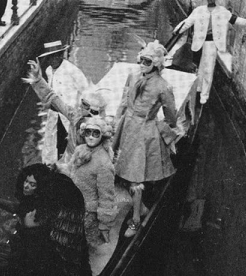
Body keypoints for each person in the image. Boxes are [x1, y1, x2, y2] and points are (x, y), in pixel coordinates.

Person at [0, 163, 91, 276]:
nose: (26, 186)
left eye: (32, 184)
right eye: (26, 181)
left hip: (37, 262)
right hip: (27, 255)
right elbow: (17, 208)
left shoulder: (45, 214)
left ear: (39, 188)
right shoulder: (33, 203)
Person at [112, 40, 178, 237]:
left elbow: (171, 116)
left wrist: (159, 124)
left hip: (143, 130)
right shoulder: (133, 76)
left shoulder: (163, 87)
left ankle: (136, 220)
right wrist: (116, 122)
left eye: (147, 61)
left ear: (157, 64)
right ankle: (134, 208)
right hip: (127, 125)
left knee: (136, 176)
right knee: (119, 166)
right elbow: (124, 101)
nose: (142, 64)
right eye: (141, 60)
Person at [22, 60, 108, 167]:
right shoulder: (74, 116)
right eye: (84, 105)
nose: (87, 111)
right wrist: (37, 79)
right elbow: (52, 97)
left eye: (93, 112)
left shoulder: (104, 134)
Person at [173, 0, 246, 104]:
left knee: (208, 69)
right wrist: (177, 30)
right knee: (200, 68)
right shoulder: (199, 10)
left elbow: (235, 19)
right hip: (198, 43)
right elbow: (187, 22)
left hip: (212, 43)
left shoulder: (223, 12)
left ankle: (204, 96)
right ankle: (198, 88)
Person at [67, 116, 118, 250]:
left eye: (95, 133)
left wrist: (104, 225)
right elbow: (71, 171)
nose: (90, 137)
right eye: (88, 132)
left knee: (89, 243)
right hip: (72, 204)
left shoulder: (104, 163)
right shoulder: (80, 149)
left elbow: (106, 197)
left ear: (102, 136)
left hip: (88, 213)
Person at [37, 40, 89, 164]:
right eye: (49, 57)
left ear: (61, 55)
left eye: (55, 56)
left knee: (69, 142)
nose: (52, 60)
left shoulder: (72, 70)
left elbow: (85, 90)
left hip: (69, 114)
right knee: (52, 141)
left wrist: (82, 113)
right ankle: (52, 165)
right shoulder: (49, 71)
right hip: (55, 113)